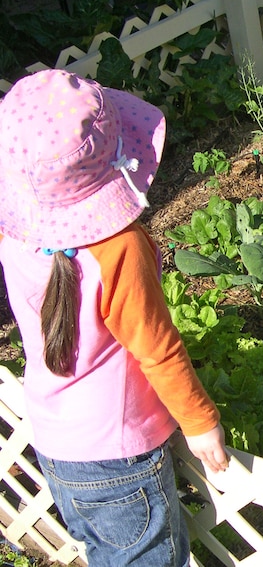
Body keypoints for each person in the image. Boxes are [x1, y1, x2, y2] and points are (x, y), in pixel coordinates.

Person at [0, 69, 229, 567]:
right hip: (118, 454)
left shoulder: (12, 233)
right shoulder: (117, 248)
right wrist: (200, 422)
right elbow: (156, 344)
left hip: (55, 444)